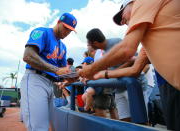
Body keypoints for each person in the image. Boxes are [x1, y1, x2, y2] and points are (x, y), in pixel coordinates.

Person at [79, 0, 180, 130]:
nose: (122, 22)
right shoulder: (148, 39)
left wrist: (91, 70)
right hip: (169, 85)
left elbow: (126, 50)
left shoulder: (144, 1)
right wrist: (100, 75)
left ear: (132, 3)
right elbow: (135, 69)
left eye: (121, 15)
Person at [20, 13, 77, 131]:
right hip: (35, 80)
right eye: (66, 28)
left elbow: (62, 72)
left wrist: (71, 78)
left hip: (51, 84)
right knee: (38, 127)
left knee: (50, 125)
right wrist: (56, 70)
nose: (67, 32)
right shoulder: (43, 32)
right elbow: (28, 56)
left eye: (70, 30)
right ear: (58, 22)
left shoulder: (63, 47)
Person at [84, 28, 147, 123]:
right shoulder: (104, 52)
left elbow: (135, 60)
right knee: (124, 122)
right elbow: (108, 70)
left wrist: (114, 72)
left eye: (89, 43)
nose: (88, 45)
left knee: (141, 122)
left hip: (133, 86)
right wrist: (90, 76)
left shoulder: (116, 42)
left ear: (95, 43)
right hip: (119, 88)